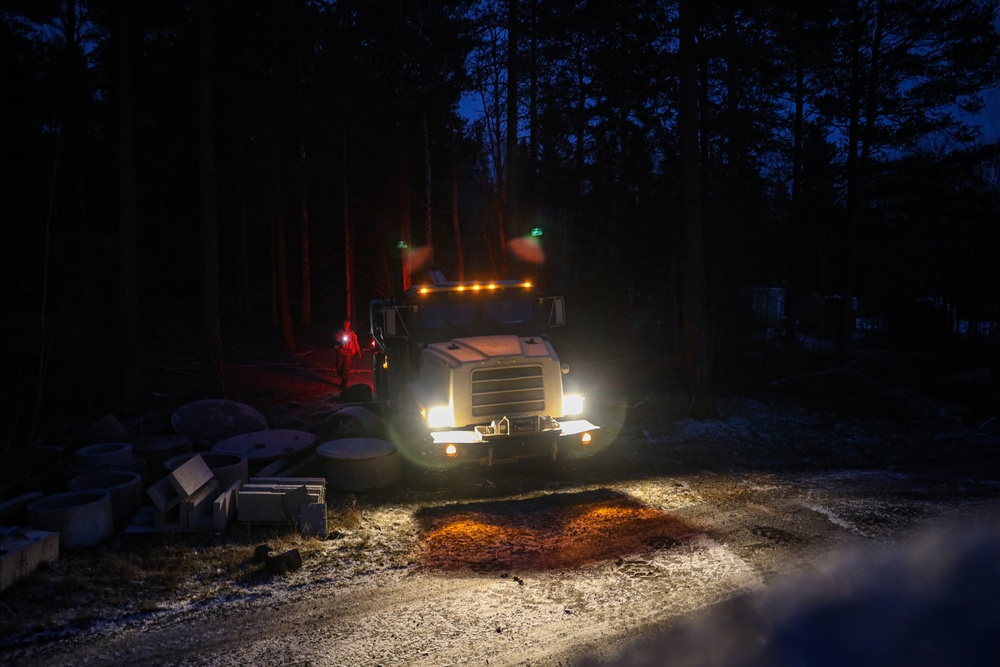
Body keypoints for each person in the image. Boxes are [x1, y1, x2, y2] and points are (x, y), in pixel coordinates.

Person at [334, 319, 361, 387]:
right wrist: (340, 342)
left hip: (348, 353)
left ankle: (344, 384)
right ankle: (342, 377)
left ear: (349, 326)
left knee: (346, 369)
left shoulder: (352, 334)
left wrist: (359, 352)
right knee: (339, 369)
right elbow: (335, 340)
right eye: (345, 325)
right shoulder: (339, 332)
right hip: (340, 353)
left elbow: (356, 343)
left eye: (347, 325)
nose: (346, 326)